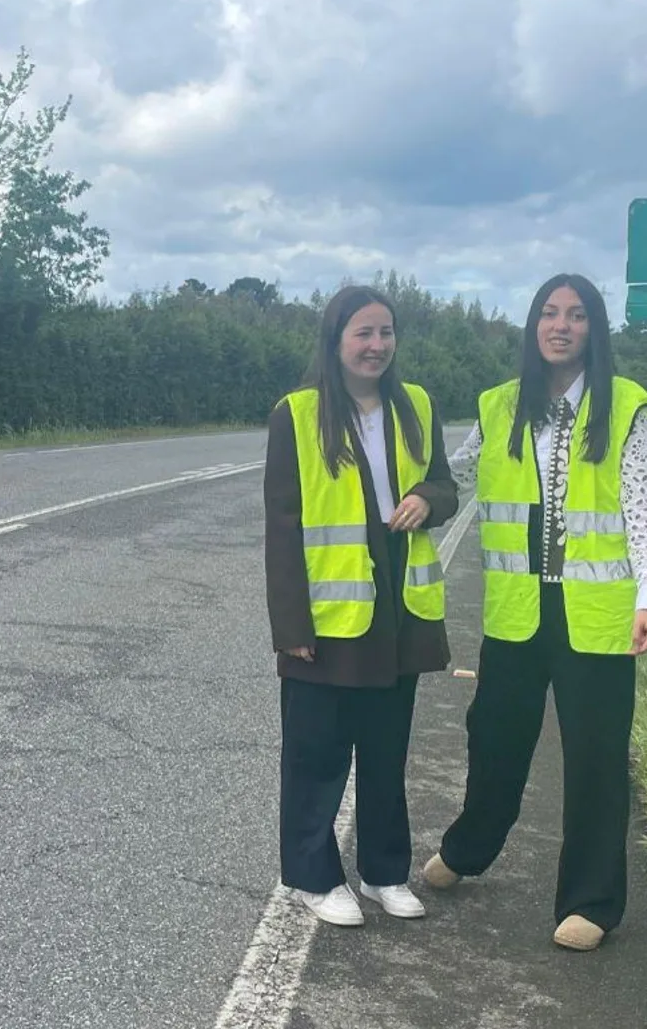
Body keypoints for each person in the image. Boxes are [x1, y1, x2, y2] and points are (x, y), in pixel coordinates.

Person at [420, 272, 647, 952]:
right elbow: (460, 478)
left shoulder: (624, 408)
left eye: (577, 314)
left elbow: (644, 510)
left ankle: (590, 901)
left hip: (596, 616)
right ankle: (469, 847)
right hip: (517, 612)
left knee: (595, 757)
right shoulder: (500, 406)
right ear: (534, 326)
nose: (561, 324)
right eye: (549, 313)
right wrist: (419, 492)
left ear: (595, 329)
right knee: (494, 740)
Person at [264, 285, 460, 926]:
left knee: (385, 751)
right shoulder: (296, 415)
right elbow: (284, 527)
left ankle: (383, 872)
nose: (377, 346)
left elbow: (445, 485)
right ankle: (314, 877)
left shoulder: (417, 405)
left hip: (397, 609)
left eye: (386, 332)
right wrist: (291, 625)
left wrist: (430, 498)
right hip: (327, 615)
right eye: (363, 334)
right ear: (336, 340)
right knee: (316, 754)